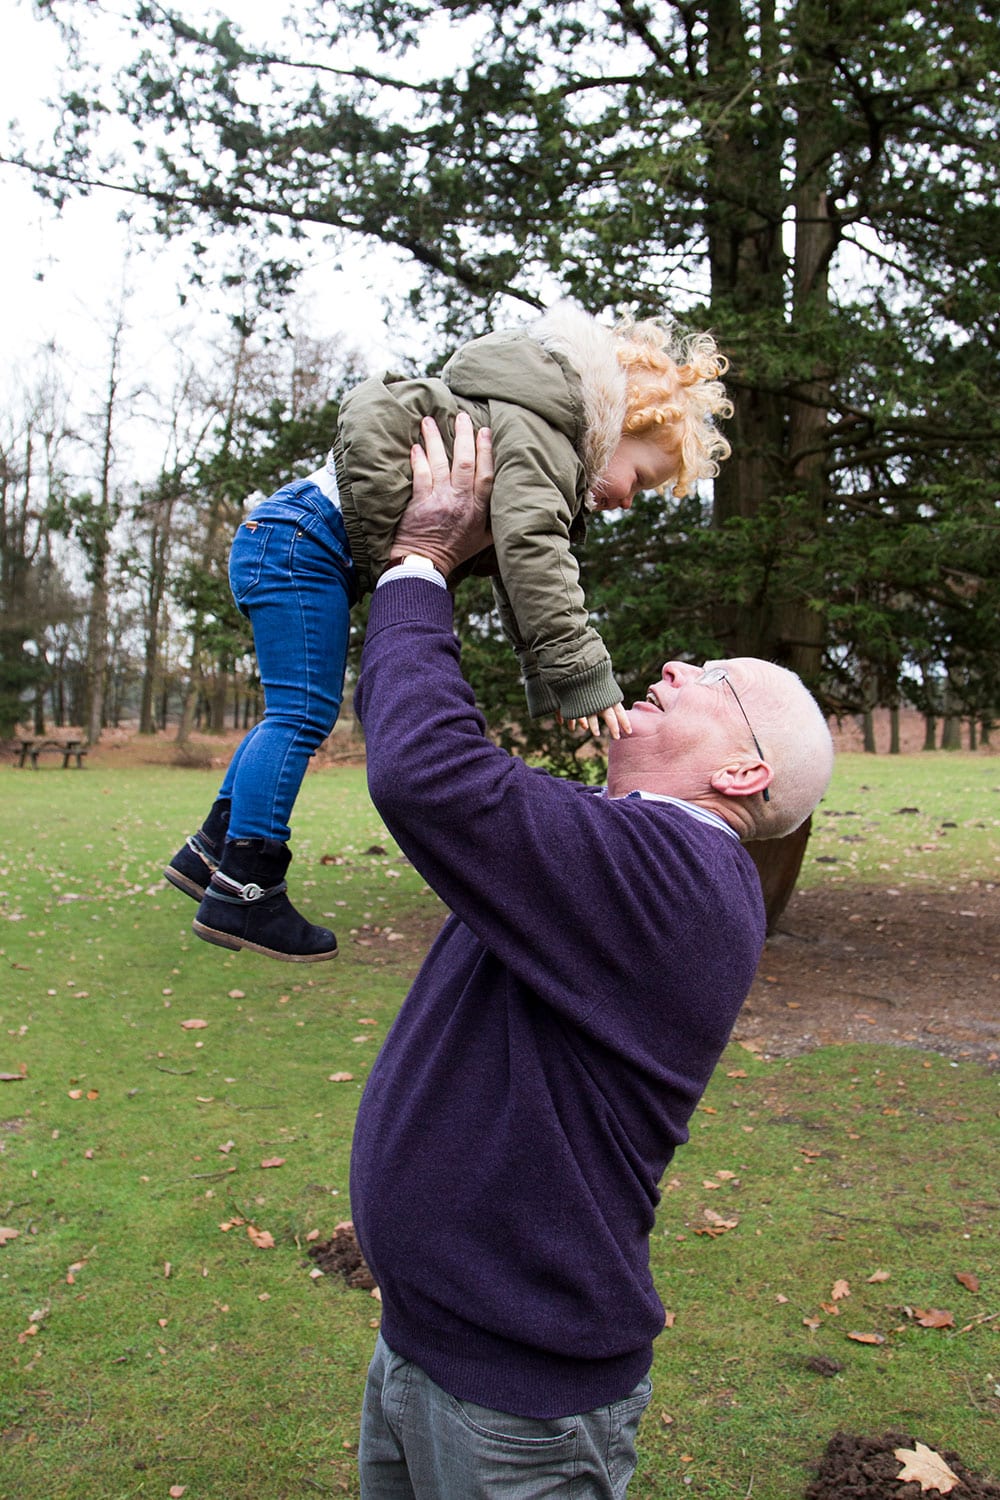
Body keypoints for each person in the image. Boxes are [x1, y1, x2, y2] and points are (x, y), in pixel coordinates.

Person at [347, 415, 835, 1499]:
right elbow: (447, 756)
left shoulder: (672, 881)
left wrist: (424, 561)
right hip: (432, 1351)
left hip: (516, 1410)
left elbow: (427, 771)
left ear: (745, 776)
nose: (672, 664)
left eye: (711, 679)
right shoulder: (618, 855)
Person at [165, 302, 733, 962]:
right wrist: (583, 677)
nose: (630, 500)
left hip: (287, 537)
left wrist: (549, 684)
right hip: (300, 541)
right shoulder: (549, 434)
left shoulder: (529, 424)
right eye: (641, 476)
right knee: (300, 716)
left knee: (295, 713)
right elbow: (535, 554)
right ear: (617, 425)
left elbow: (515, 578)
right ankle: (247, 885)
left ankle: (210, 850)